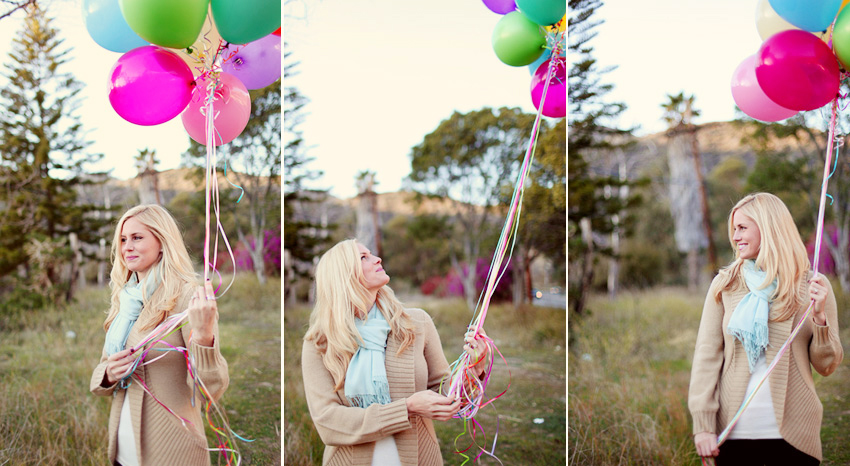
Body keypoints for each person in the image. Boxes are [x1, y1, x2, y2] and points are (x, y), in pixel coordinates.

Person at [302, 238, 488, 466]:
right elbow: (328, 423)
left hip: (420, 459)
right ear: (344, 276)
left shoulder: (416, 323)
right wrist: (406, 408)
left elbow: (445, 395)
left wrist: (474, 368)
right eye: (363, 257)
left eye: (371, 253)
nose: (377, 259)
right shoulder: (319, 342)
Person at [689, 193, 843, 465]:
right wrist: (703, 426)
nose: (735, 237)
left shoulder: (812, 285)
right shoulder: (725, 285)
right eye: (733, 229)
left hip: (794, 436)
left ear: (768, 228)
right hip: (732, 434)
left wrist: (819, 318)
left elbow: (827, 365)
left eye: (742, 228)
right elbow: (706, 356)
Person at [89, 205, 229, 466]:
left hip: (172, 452)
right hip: (123, 449)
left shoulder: (189, 298)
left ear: (163, 242)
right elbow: (103, 369)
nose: (126, 247)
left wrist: (203, 335)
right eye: (122, 239)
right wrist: (108, 374)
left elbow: (210, 391)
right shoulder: (125, 298)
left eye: (137, 237)